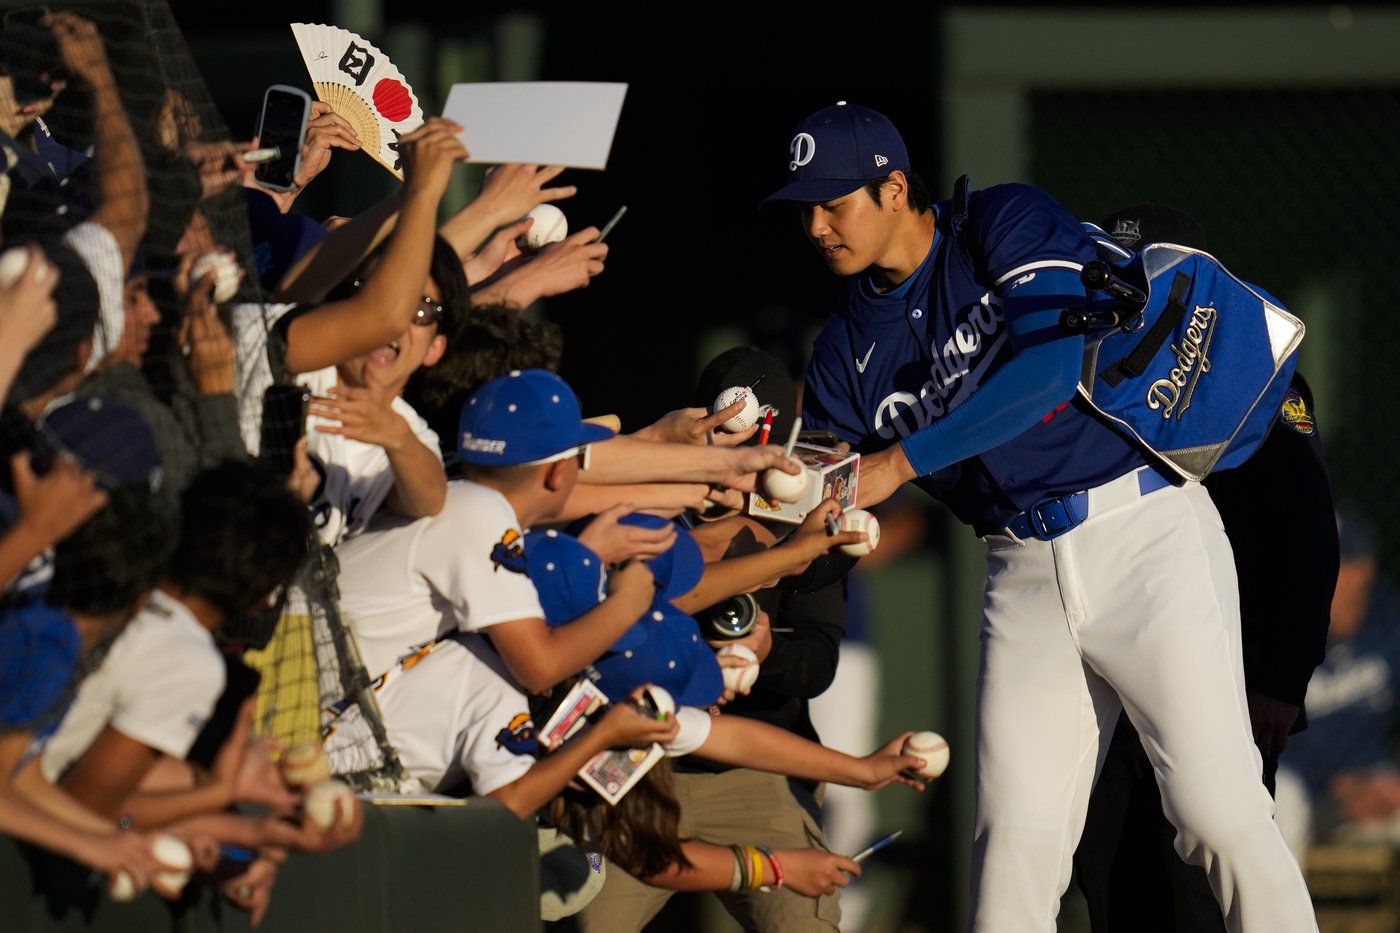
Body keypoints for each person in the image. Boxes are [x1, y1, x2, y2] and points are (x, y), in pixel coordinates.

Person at [763, 100, 1317, 932]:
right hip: (1017, 566)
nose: (815, 225)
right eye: (804, 206)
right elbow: (825, 484)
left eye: (833, 202)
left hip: (1143, 531)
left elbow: (1051, 372)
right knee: (1013, 854)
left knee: (1219, 815)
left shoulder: (999, 221)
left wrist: (897, 463)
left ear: (894, 189)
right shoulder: (843, 345)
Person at [1070, 202, 1339, 933]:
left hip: (1227, 681)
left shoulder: (1259, 377)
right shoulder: (1087, 376)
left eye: (1145, 268)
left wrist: (1282, 679)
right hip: (1111, 681)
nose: (1127, 287)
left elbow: (1308, 534)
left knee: (1201, 886)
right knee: (1109, 882)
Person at [1272, 504, 1400, 858]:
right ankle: (1284, 916)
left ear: (1365, 571)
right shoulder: (1281, 630)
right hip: (1295, 778)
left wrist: (1385, 780)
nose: (1321, 577)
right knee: (1284, 803)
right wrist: (1338, 786)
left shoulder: (1388, 624)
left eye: (1335, 565)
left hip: (1370, 779)